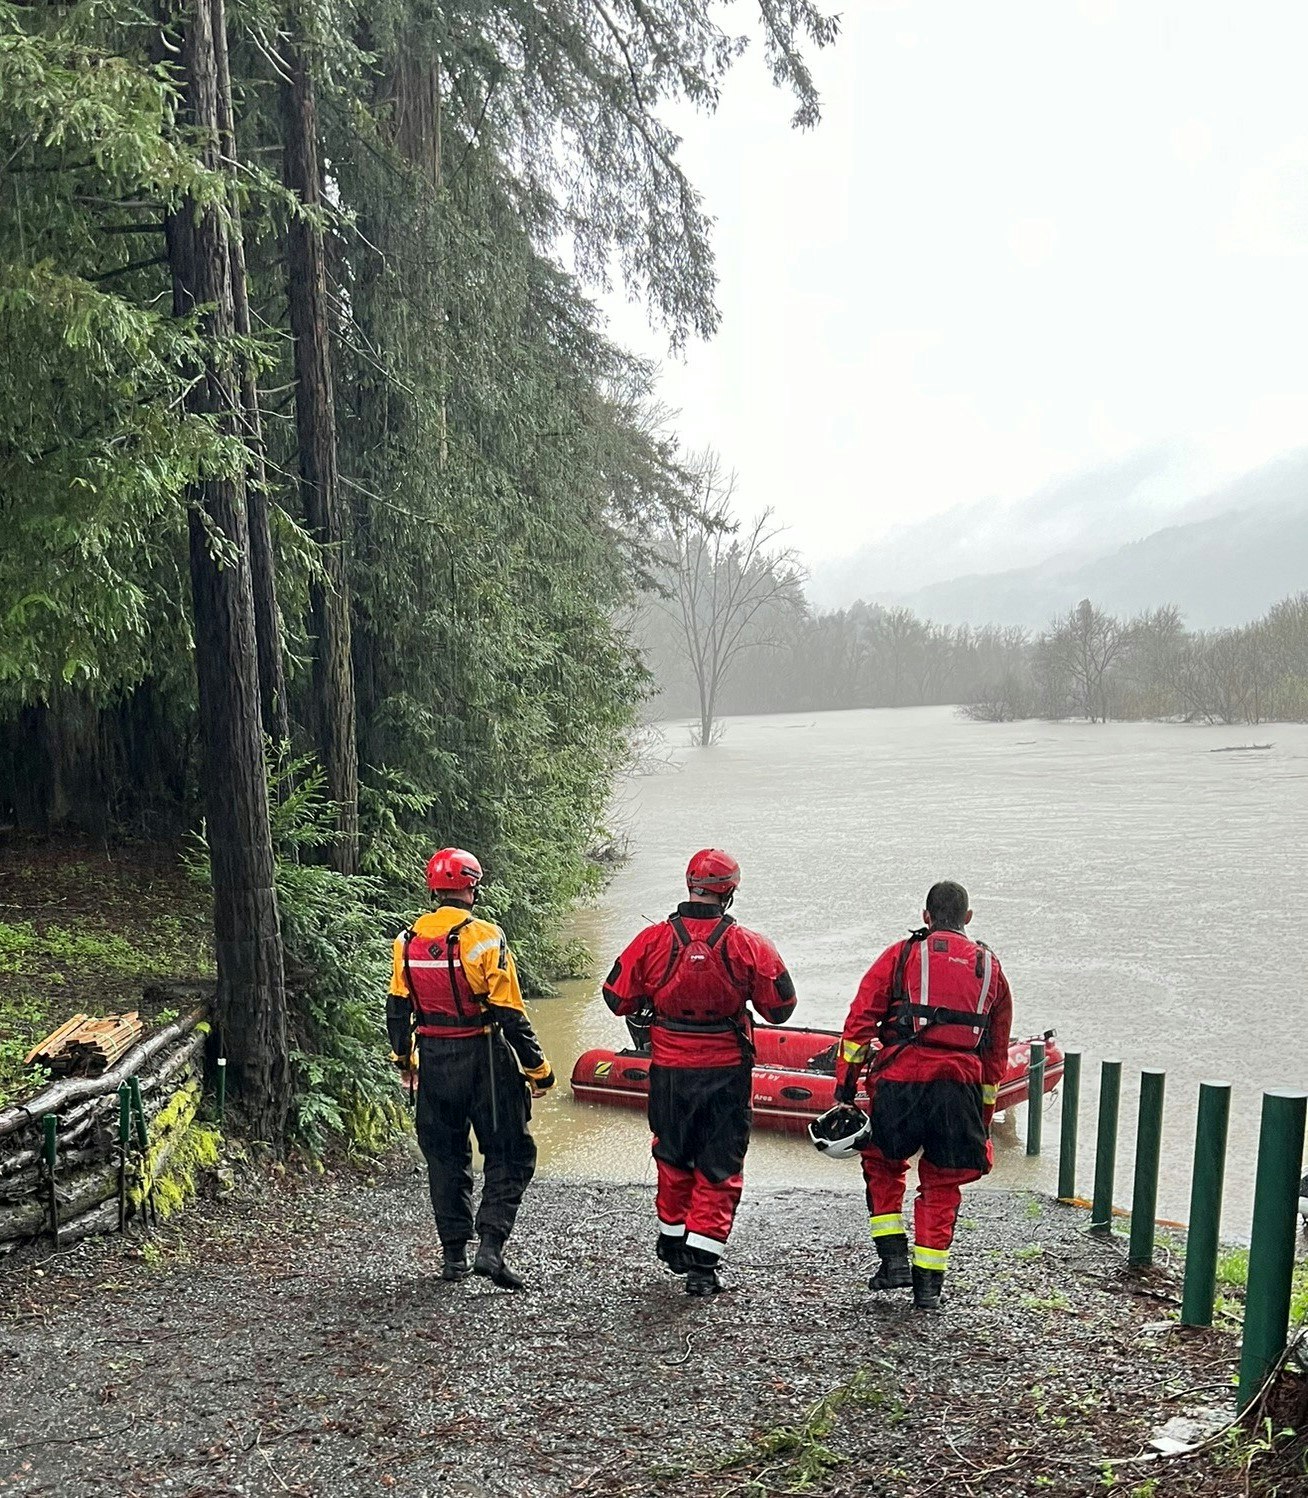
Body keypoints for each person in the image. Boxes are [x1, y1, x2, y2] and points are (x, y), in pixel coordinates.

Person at [603, 849, 797, 1296]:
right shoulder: (749, 944)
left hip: (669, 1069)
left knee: (671, 1153)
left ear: (689, 886)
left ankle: (672, 1240)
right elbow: (781, 1008)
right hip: (726, 1071)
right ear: (729, 893)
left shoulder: (651, 940)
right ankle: (703, 1265)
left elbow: (617, 999)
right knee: (720, 1163)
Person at [833, 880, 1012, 1310]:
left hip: (901, 1082)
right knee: (945, 1181)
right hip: (961, 1086)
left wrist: (845, 1087)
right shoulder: (992, 969)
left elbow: (859, 1024)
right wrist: (983, 1116)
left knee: (882, 1164)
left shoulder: (901, 955)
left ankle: (893, 1260)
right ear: (967, 918)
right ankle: (929, 1288)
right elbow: (996, 1054)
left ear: (926, 917)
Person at [387, 847, 554, 1291]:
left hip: (435, 1062)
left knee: (445, 1158)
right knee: (510, 1152)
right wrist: (538, 1070)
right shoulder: (485, 936)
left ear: (434, 888)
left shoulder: (406, 940)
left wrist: (406, 1061)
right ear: (471, 888)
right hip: (484, 1060)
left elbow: (398, 1009)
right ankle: (491, 1247)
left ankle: (453, 1257)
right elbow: (509, 1013)